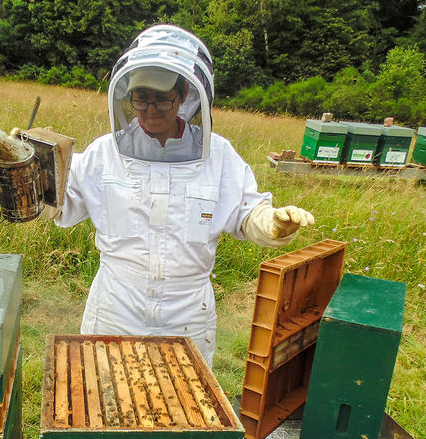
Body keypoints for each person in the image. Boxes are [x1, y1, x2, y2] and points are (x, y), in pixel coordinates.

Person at [40, 25, 313, 365]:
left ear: (185, 94)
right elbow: (60, 204)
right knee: (106, 400)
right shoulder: (104, 153)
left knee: (183, 410)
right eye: (140, 99)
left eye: (162, 99)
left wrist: (270, 222)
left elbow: (245, 212)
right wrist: (33, 176)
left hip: (187, 313)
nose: (150, 110)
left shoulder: (219, 155)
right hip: (116, 305)